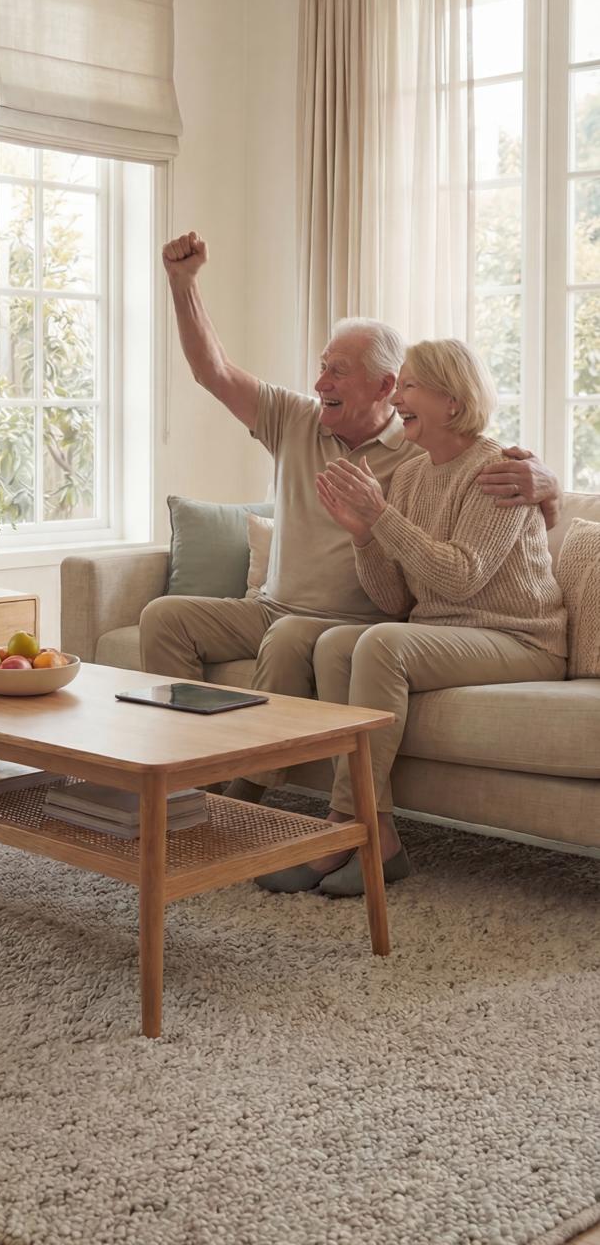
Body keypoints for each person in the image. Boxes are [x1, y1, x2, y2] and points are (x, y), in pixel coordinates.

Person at [142, 231, 562, 810]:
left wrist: (547, 482)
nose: (320, 384)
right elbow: (211, 370)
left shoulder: (421, 454)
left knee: (298, 637)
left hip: (352, 618)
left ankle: (257, 791)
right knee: (165, 616)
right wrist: (182, 284)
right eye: (321, 369)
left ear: (387, 387)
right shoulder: (296, 420)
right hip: (269, 606)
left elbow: (477, 492)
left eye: (337, 372)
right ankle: (183, 783)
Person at [254, 339, 567, 896]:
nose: (398, 397)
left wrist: (382, 518)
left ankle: (342, 829)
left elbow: (460, 577)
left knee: (381, 645)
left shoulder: (498, 473)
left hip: (520, 638)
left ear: (453, 399)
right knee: (335, 644)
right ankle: (382, 836)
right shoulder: (417, 475)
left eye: (411, 385)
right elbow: (395, 600)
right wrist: (365, 536)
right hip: (446, 633)